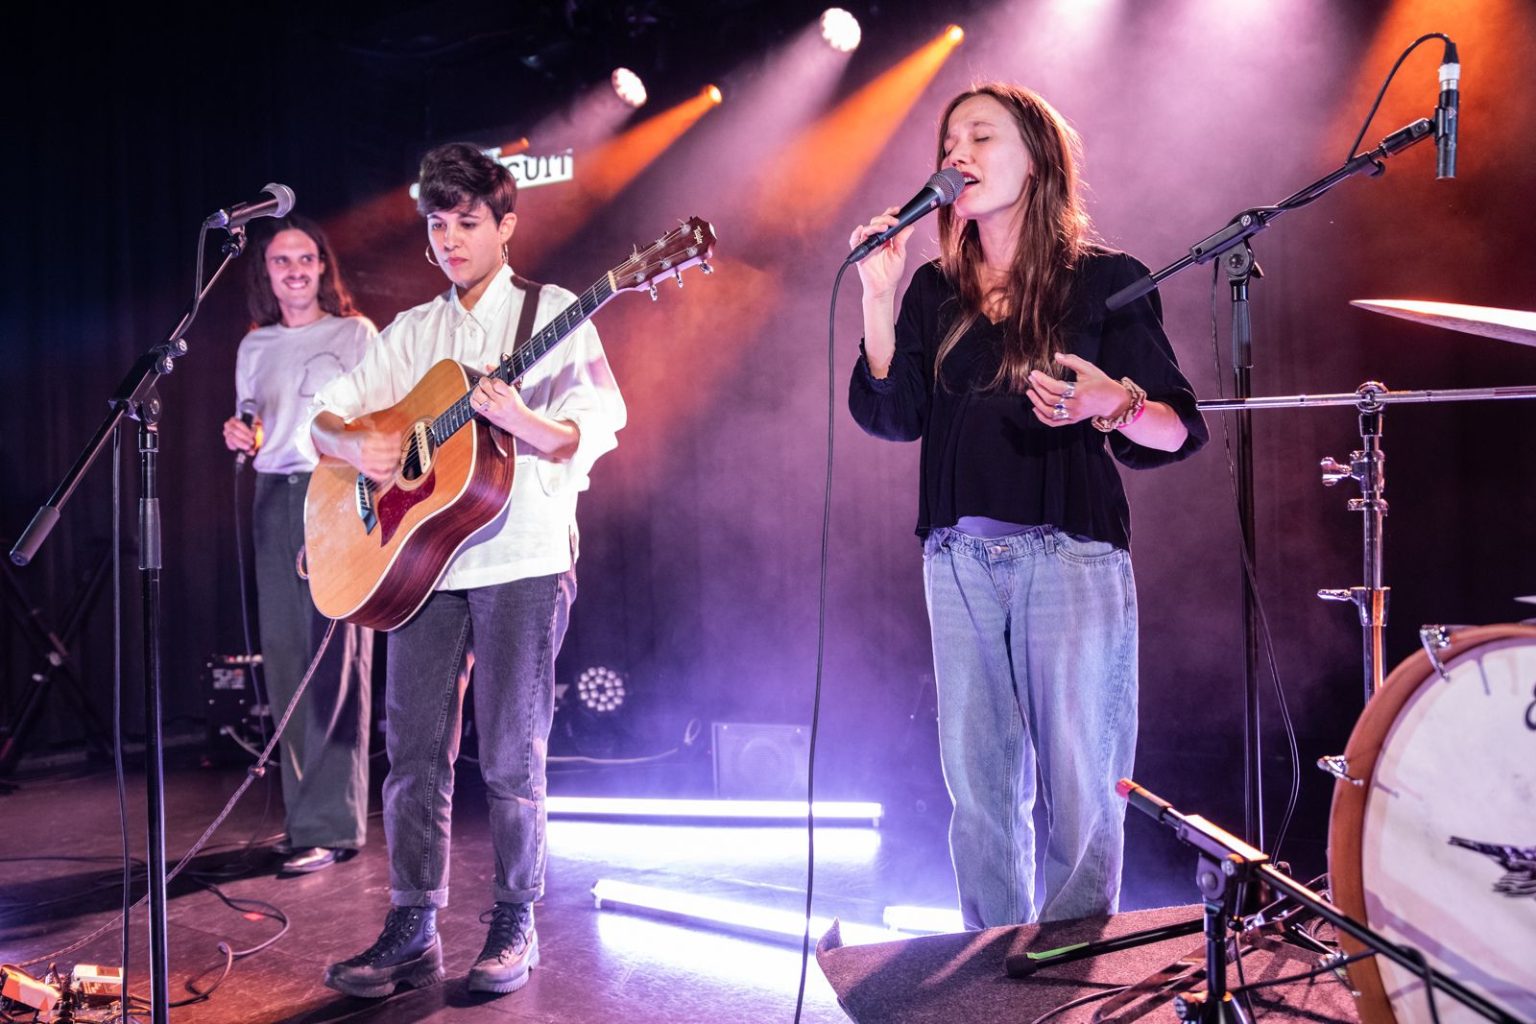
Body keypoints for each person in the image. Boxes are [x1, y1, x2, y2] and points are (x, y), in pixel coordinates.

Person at [847, 83, 1208, 929]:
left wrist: (1109, 402)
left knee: (1082, 786)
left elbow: (1178, 427)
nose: (957, 153)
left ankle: (1071, 957)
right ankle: (993, 969)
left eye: (982, 136)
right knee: (978, 789)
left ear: (1040, 159)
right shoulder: (934, 287)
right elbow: (892, 414)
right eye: (949, 141)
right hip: (957, 562)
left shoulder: (1107, 282)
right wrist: (876, 295)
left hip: (1068, 560)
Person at [305, 142, 626, 998]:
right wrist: (358, 443)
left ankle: (514, 919)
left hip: (521, 556)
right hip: (421, 564)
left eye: (467, 223)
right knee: (412, 753)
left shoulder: (551, 312)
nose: (450, 241)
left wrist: (523, 420)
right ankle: (413, 923)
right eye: (437, 225)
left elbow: (584, 432)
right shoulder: (414, 332)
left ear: (506, 226)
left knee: (512, 756)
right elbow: (323, 422)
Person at [222, 215, 377, 876]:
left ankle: (332, 824)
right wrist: (239, 432)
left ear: (322, 268)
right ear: (267, 273)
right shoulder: (254, 346)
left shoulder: (355, 334)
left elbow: (382, 417)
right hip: (273, 496)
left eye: (305, 259)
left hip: (336, 490)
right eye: (281, 261)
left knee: (334, 657)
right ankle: (302, 821)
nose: (294, 270)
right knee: (286, 661)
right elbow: (255, 419)